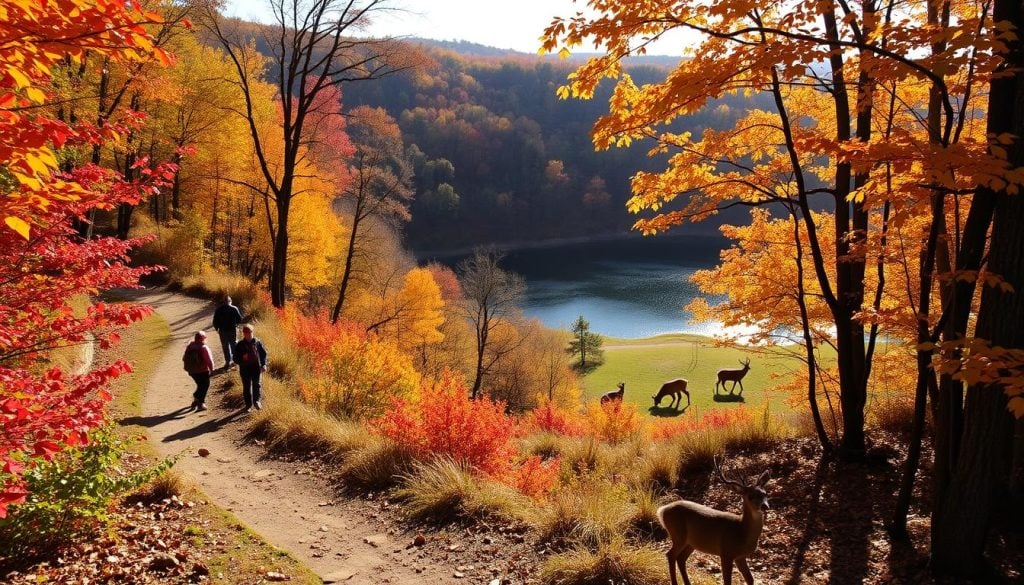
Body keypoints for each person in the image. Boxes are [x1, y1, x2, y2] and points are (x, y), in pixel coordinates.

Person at [234, 324, 268, 412]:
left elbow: (263, 354)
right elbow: (235, 359)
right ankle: (248, 406)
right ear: (243, 334)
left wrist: (264, 364)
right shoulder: (240, 345)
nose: (249, 335)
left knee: (257, 384)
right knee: (247, 387)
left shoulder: (257, 342)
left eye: (250, 333)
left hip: (256, 368)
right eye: (246, 333)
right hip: (245, 370)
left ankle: (257, 401)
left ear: (252, 332)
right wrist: (242, 358)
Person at [182, 330, 215, 411]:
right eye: (205, 337)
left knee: (200, 385)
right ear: (202, 339)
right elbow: (209, 360)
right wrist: (212, 370)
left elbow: (184, 358)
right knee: (205, 385)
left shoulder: (190, 346)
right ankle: (200, 402)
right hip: (202, 370)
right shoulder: (203, 348)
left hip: (192, 371)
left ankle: (197, 399)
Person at [212, 295, 243, 369]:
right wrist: (236, 325)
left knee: (225, 346)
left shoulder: (218, 309)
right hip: (232, 330)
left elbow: (215, 321)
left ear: (223, 301)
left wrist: (217, 328)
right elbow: (239, 319)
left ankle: (227, 361)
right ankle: (235, 362)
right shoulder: (234, 308)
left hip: (222, 331)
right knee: (234, 345)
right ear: (230, 301)